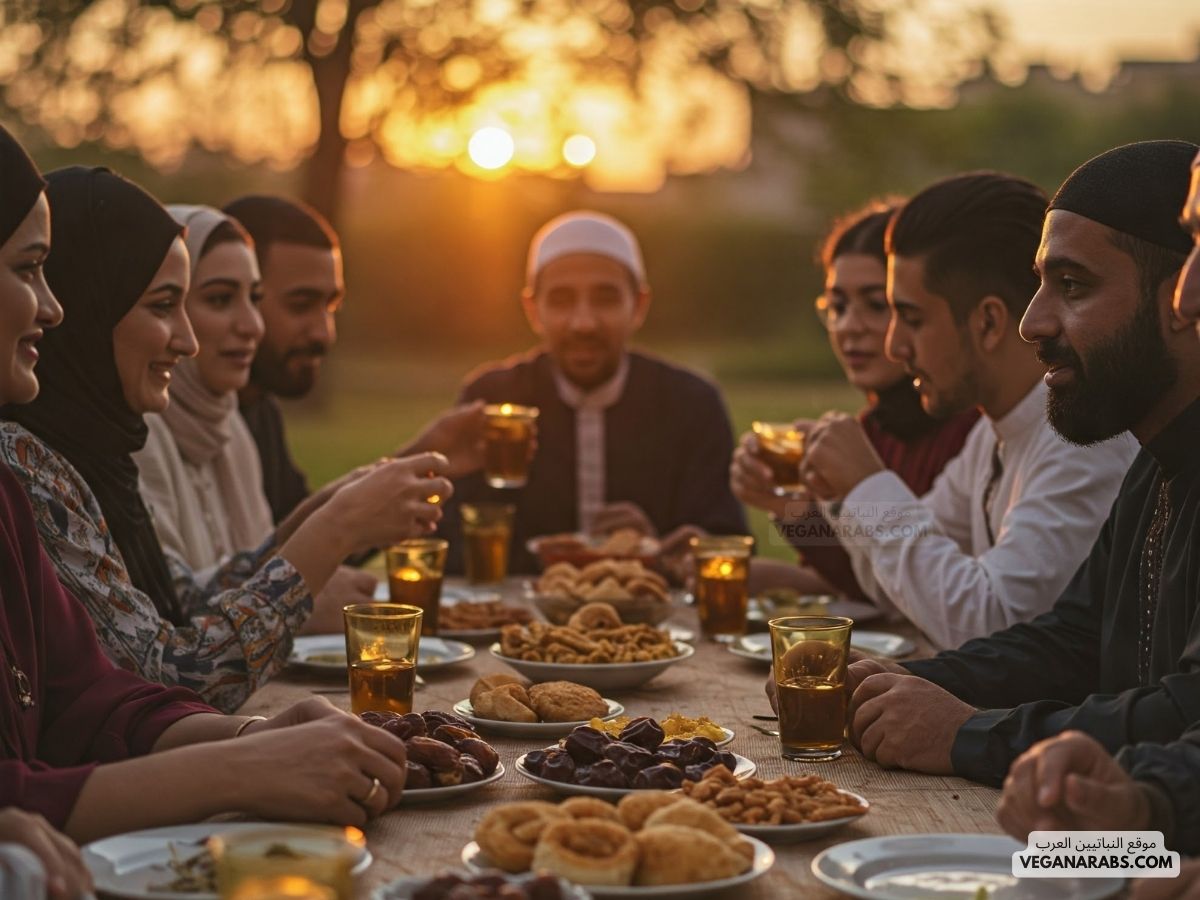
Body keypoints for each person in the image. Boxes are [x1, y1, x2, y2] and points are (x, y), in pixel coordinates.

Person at [0, 122, 408, 843]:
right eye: (30, 268)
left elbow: (93, 693)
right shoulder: (25, 459)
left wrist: (252, 734)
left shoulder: (37, 473)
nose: (52, 307)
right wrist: (245, 761)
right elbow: (175, 664)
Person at [843, 140, 1200, 785]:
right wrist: (908, 682)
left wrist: (965, 734)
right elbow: (1072, 639)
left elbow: (1183, 716)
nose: (1031, 322)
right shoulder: (1154, 461)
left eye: (1072, 285)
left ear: (1180, 295)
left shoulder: (1106, 448)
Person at [785, 173, 1138, 649]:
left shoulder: (1081, 442)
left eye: (910, 319)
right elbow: (900, 590)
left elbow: (995, 626)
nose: (894, 345)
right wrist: (840, 493)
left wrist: (867, 484)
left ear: (988, 322)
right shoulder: (991, 433)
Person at [440, 210, 748, 574]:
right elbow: (449, 543)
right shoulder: (493, 398)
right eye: (561, 300)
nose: (583, 323)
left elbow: (728, 544)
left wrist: (656, 549)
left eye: (605, 299)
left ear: (638, 306)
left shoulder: (692, 404)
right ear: (533, 310)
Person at [730, 201, 979, 600]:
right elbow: (867, 577)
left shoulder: (970, 431)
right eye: (838, 307)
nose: (849, 327)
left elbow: (925, 587)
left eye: (877, 305)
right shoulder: (870, 431)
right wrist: (783, 507)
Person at [133, 205, 376, 613]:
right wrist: (297, 602)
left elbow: (265, 564)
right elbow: (169, 623)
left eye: (255, 298)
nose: (252, 325)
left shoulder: (232, 423)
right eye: (220, 299)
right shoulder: (132, 435)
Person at [225, 194, 487, 530]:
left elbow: (300, 543)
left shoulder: (258, 411)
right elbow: (291, 557)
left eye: (331, 307)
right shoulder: (175, 427)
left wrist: (423, 457)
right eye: (301, 305)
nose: (324, 333)